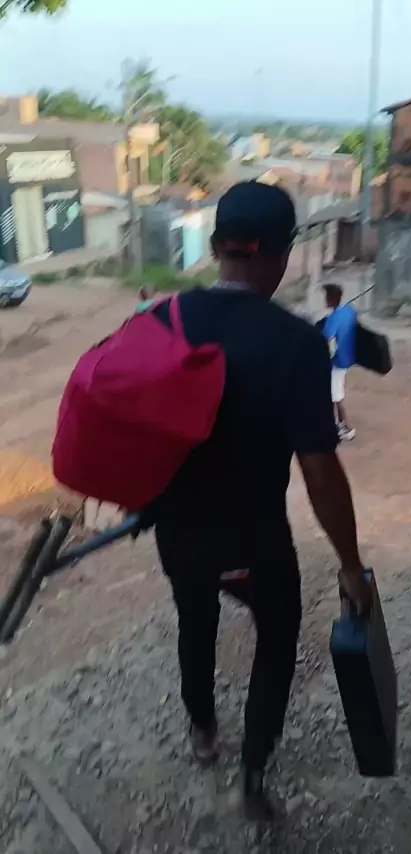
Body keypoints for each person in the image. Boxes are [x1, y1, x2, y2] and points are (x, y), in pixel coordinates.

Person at [146, 181, 371, 820]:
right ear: (282, 254)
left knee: (195, 622)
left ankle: (202, 731)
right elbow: (320, 474)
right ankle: (252, 773)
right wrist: (350, 567)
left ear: (217, 246)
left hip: (179, 531)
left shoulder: (164, 320)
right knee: (276, 637)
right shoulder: (296, 344)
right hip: (255, 540)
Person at [321, 283, 357, 441]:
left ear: (334, 298)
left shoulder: (333, 319)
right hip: (347, 358)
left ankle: (344, 428)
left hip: (336, 363)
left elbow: (327, 342)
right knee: (334, 394)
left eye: (327, 296)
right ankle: (336, 425)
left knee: (335, 396)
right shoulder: (349, 311)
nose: (325, 299)